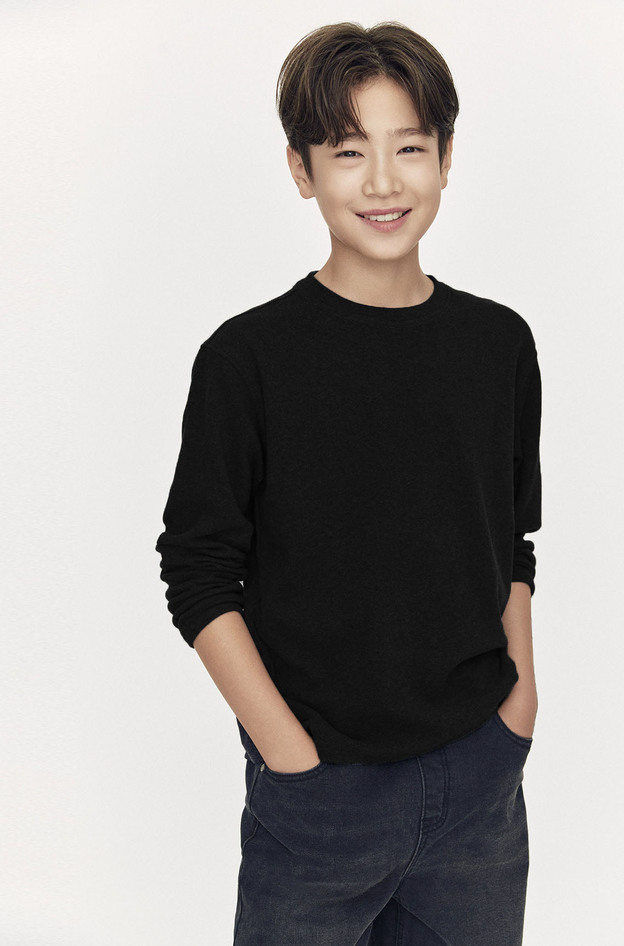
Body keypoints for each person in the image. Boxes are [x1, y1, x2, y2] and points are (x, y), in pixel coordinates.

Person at [155, 19, 543, 946]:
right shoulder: (248, 359)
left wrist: (519, 705)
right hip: (318, 797)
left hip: (478, 788)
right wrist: (287, 751)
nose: (381, 183)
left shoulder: (498, 344)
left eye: (408, 147)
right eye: (346, 151)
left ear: (445, 157)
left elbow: (511, 541)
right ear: (301, 170)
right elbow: (198, 573)